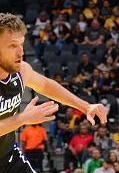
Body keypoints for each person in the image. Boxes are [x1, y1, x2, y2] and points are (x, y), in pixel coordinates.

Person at [0, 13, 107, 173]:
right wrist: (23, 118)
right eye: (12, 46)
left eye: (21, 44)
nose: (20, 52)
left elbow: (46, 85)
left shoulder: (21, 70)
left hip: (8, 156)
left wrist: (86, 106)